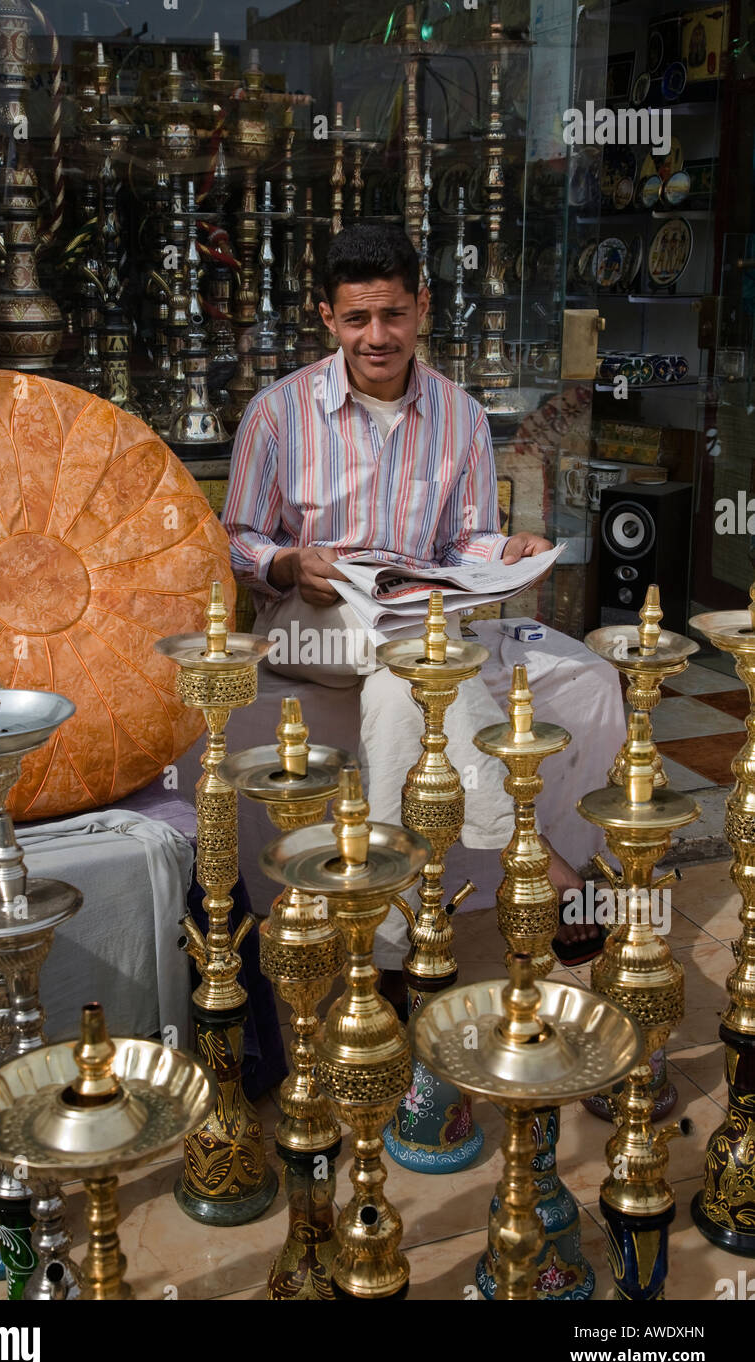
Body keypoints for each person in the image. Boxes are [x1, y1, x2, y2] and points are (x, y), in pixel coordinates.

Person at [221, 224, 608, 995]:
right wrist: (293, 562)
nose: (377, 336)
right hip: (310, 622)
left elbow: (468, 538)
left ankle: (395, 951)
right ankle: (533, 856)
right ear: (326, 318)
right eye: (357, 319)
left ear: (422, 308)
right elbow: (237, 540)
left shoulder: (459, 414)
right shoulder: (278, 412)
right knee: (419, 657)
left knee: (410, 690)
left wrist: (507, 551)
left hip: (414, 628)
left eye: (394, 315)